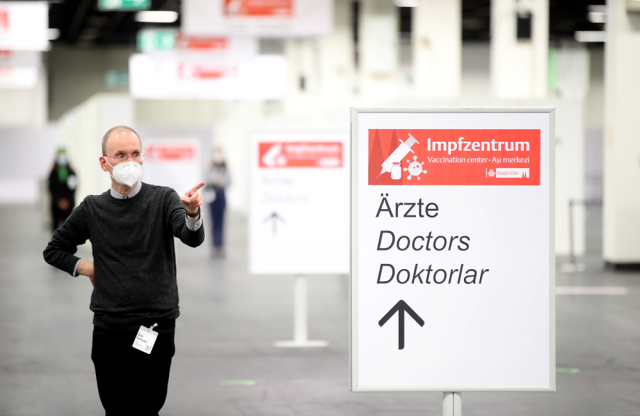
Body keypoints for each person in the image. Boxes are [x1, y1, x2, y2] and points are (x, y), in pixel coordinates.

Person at [43, 126, 205, 416]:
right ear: (104, 163)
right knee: (116, 408)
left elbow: (191, 237)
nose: (130, 162)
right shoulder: (92, 208)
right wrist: (89, 267)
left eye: (135, 154)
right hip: (110, 328)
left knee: (149, 407)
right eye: (120, 155)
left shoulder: (163, 199)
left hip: (156, 324)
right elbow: (54, 250)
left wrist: (192, 213)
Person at [205, 148, 231, 256]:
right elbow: (205, 180)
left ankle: (220, 246)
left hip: (221, 194)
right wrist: (213, 180)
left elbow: (230, 181)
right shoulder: (210, 168)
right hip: (212, 194)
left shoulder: (225, 169)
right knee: (213, 222)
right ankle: (214, 246)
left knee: (221, 222)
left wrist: (221, 181)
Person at [48, 146, 77, 231]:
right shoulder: (53, 173)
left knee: (68, 228)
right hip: (56, 205)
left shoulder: (71, 172)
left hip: (68, 206)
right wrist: (58, 201)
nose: (62, 157)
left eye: (63, 155)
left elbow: (73, 188)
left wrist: (67, 201)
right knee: (55, 228)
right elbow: (51, 188)